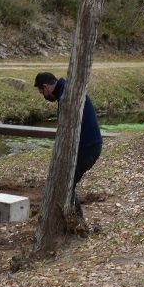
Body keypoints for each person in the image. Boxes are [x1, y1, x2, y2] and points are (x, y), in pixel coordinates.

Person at [34, 72, 103, 223]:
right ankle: (68, 218)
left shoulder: (66, 95)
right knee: (64, 181)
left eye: (42, 93)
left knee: (66, 184)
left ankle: (77, 222)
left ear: (46, 87)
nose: (44, 97)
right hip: (87, 145)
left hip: (87, 147)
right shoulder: (66, 90)